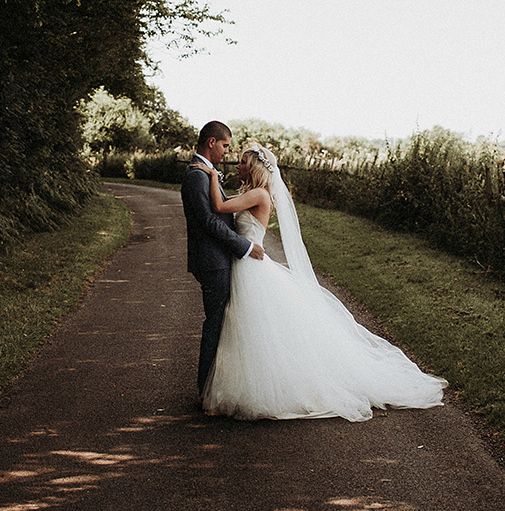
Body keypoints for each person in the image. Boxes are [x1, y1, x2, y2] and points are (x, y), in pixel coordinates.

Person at [191, 144, 447, 422]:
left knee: (253, 329)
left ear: (253, 167)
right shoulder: (254, 193)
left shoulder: (258, 194)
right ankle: (235, 389)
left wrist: (213, 176)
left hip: (250, 267)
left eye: (242, 162)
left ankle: (262, 390)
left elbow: (218, 207)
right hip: (245, 264)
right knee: (243, 330)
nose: (237, 165)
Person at [180, 121, 265, 405]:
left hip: (219, 258)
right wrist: (244, 245)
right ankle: (205, 393)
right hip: (213, 261)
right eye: (226, 146)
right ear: (212, 143)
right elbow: (208, 220)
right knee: (215, 324)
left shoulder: (205, 173)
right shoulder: (196, 175)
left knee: (222, 324)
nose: (227, 153)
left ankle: (214, 389)